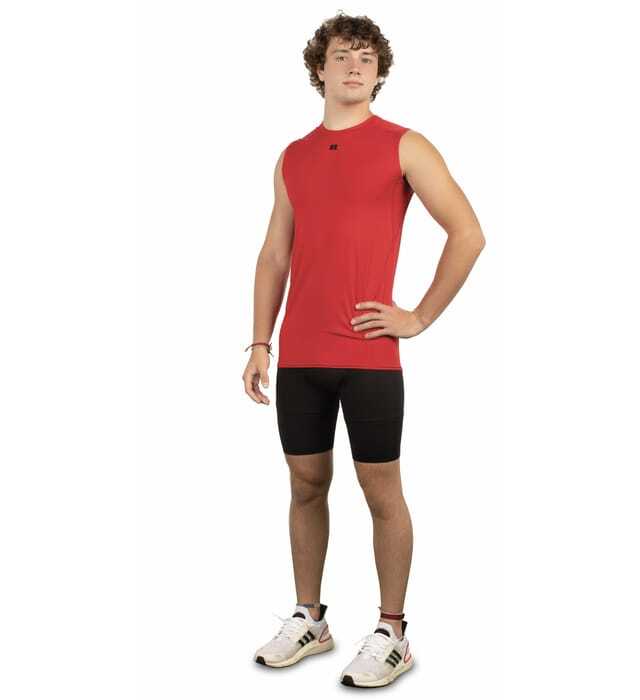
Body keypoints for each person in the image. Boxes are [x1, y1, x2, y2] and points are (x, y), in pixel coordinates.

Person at [242, 12, 485, 688]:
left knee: (381, 490)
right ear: (318, 69)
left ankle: (392, 632)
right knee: (305, 484)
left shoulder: (405, 146)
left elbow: (468, 233)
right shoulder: (292, 156)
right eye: (343, 55)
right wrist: (260, 341)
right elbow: (274, 254)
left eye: (367, 58)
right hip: (300, 355)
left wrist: (419, 316)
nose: (355, 66)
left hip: (369, 354)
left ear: (379, 75)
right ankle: (310, 618)